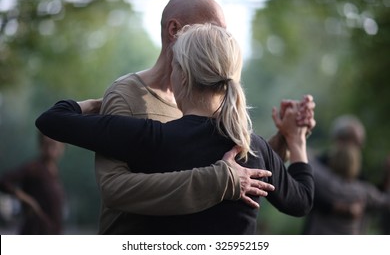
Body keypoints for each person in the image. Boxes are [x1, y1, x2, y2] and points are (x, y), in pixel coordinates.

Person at [36, 23, 314, 234]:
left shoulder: (152, 138)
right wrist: (296, 140)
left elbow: (52, 120)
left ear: (183, 76)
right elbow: (301, 201)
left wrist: (96, 105)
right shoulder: (253, 148)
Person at [303, 115, 390, 234]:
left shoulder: (318, 171)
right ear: (340, 139)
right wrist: (338, 207)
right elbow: (380, 199)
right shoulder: (362, 188)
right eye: (356, 142)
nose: (360, 147)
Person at [0, 133, 65, 234]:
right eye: (47, 144)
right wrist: (27, 199)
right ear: (41, 145)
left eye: (55, 144)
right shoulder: (34, 168)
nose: (52, 147)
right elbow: (4, 181)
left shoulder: (54, 171)